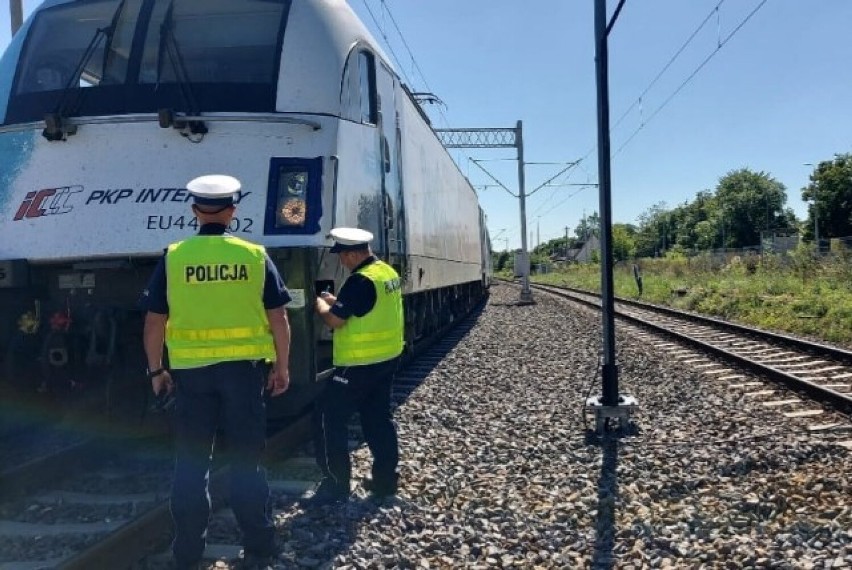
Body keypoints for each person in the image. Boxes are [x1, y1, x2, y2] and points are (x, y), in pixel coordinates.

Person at [140, 174, 291, 570]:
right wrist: (282, 366)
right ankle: (259, 548)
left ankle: (187, 553)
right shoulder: (254, 256)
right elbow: (278, 318)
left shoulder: (174, 257)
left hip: (191, 376)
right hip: (243, 375)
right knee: (246, 462)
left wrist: (157, 370)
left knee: (191, 466)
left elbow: (154, 322)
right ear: (233, 212)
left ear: (194, 212)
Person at [307, 227, 404, 506]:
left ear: (352, 254)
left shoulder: (360, 280)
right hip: (385, 359)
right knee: (378, 419)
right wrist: (335, 302)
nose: (341, 262)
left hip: (358, 364)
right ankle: (385, 482)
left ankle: (336, 485)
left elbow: (336, 321)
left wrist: (319, 305)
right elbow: (364, 309)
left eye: (342, 256)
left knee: (327, 418)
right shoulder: (386, 272)